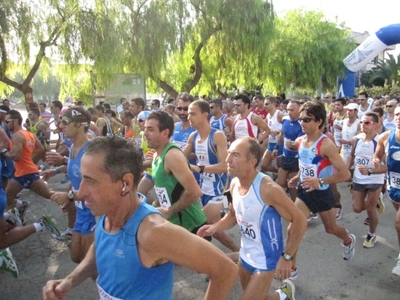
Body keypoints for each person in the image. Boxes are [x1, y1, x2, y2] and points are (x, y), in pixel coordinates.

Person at [43, 136, 238, 300]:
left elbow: (225, 270)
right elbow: (100, 248)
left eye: (91, 181)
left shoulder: (153, 232)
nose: (81, 191)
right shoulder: (106, 213)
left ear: (125, 184)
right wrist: (70, 280)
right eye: (82, 179)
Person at [198, 137, 307, 300]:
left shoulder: (269, 189)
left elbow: (300, 221)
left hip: (267, 259)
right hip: (245, 254)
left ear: (252, 162)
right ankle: (284, 294)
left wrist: (287, 257)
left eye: (235, 155)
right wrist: (215, 227)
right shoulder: (234, 184)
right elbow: (233, 215)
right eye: (228, 153)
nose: (227, 160)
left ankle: (284, 292)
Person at [288, 101, 356, 269]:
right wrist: (298, 176)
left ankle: (348, 240)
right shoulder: (300, 141)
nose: (302, 123)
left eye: (307, 119)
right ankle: (292, 269)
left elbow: (345, 174)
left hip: (322, 193)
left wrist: (320, 181)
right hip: (304, 191)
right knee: (292, 229)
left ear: (318, 121)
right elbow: (307, 164)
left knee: (331, 229)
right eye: (301, 119)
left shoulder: (326, 145)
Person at [42, 108, 97, 263]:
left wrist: (69, 196)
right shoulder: (73, 148)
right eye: (60, 121)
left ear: (80, 125)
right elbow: (77, 173)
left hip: (94, 213)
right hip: (81, 211)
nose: (61, 126)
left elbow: (97, 186)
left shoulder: (91, 150)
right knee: (76, 257)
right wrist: (57, 169)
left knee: (91, 264)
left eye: (65, 122)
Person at [184, 100, 239, 254]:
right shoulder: (193, 137)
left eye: (193, 113)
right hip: (203, 190)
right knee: (213, 229)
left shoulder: (217, 136)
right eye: (188, 113)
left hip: (220, 191)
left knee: (201, 225)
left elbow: (224, 166)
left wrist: (198, 168)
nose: (189, 117)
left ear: (205, 115)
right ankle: (239, 255)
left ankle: (213, 265)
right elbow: (180, 159)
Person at [144, 111, 208, 233]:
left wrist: (170, 211)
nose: (145, 134)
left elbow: (195, 192)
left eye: (151, 130)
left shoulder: (172, 155)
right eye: (145, 129)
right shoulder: (157, 155)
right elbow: (165, 191)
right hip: (174, 225)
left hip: (190, 225)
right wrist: (155, 207)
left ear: (165, 133)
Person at [347, 113, 386, 248]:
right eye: (362, 122)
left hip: (375, 179)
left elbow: (388, 166)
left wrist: (371, 170)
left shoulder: (380, 142)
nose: (363, 125)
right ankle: (375, 201)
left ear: (375, 125)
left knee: (370, 209)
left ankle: (372, 234)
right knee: (357, 208)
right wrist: (347, 170)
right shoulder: (356, 140)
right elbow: (352, 155)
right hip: (359, 179)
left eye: (367, 123)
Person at [372, 105, 400, 275]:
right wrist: (376, 161)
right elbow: (377, 155)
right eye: (397, 114)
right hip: (394, 188)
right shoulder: (385, 137)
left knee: (398, 223)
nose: (398, 117)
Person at [274, 101, 303, 201]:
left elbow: (302, 143)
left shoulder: (302, 124)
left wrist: (293, 146)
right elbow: (282, 134)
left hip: (296, 159)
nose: (289, 112)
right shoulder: (285, 119)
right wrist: (276, 148)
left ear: (299, 111)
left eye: (292, 110)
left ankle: (296, 207)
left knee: (293, 186)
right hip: (285, 156)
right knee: (280, 183)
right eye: (288, 109)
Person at [261, 96, 284, 174]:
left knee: (280, 165)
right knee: (264, 165)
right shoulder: (268, 116)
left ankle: (282, 176)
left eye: (267, 104)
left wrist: (277, 133)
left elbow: (288, 128)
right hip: (271, 143)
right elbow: (267, 131)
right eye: (264, 104)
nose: (265, 106)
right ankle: (278, 174)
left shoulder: (279, 114)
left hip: (281, 143)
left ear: (273, 104)